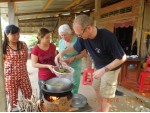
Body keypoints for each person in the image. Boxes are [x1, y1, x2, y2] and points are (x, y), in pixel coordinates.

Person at [55, 14, 127, 112]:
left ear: (88, 28)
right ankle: (100, 108)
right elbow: (75, 47)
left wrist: (104, 70)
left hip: (111, 68)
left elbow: (122, 58)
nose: (79, 37)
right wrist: (62, 53)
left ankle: (104, 110)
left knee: (106, 94)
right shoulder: (83, 37)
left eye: (79, 34)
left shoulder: (107, 37)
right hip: (99, 66)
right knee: (96, 87)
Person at [3, 25, 32, 111]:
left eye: (18, 34)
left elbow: (25, 58)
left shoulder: (23, 44)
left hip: (23, 74)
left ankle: (29, 109)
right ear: (7, 34)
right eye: (14, 34)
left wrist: (20, 67)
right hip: (10, 76)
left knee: (28, 94)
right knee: (12, 97)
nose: (17, 36)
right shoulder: (4, 46)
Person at [57, 24, 87, 94]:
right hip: (64, 66)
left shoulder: (77, 40)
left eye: (65, 35)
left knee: (74, 84)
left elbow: (84, 54)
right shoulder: (61, 42)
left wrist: (74, 58)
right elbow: (60, 53)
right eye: (62, 35)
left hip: (75, 66)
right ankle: (65, 97)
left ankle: (73, 97)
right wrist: (61, 60)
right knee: (64, 83)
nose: (63, 37)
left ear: (69, 33)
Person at [31, 28, 56, 100]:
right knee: (43, 95)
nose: (49, 39)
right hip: (43, 77)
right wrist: (47, 66)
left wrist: (60, 62)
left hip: (54, 74)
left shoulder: (52, 46)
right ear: (40, 38)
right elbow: (34, 64)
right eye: (47, 38)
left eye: (50, 37)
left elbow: (55, 59)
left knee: (54, 94)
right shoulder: (36, 49)